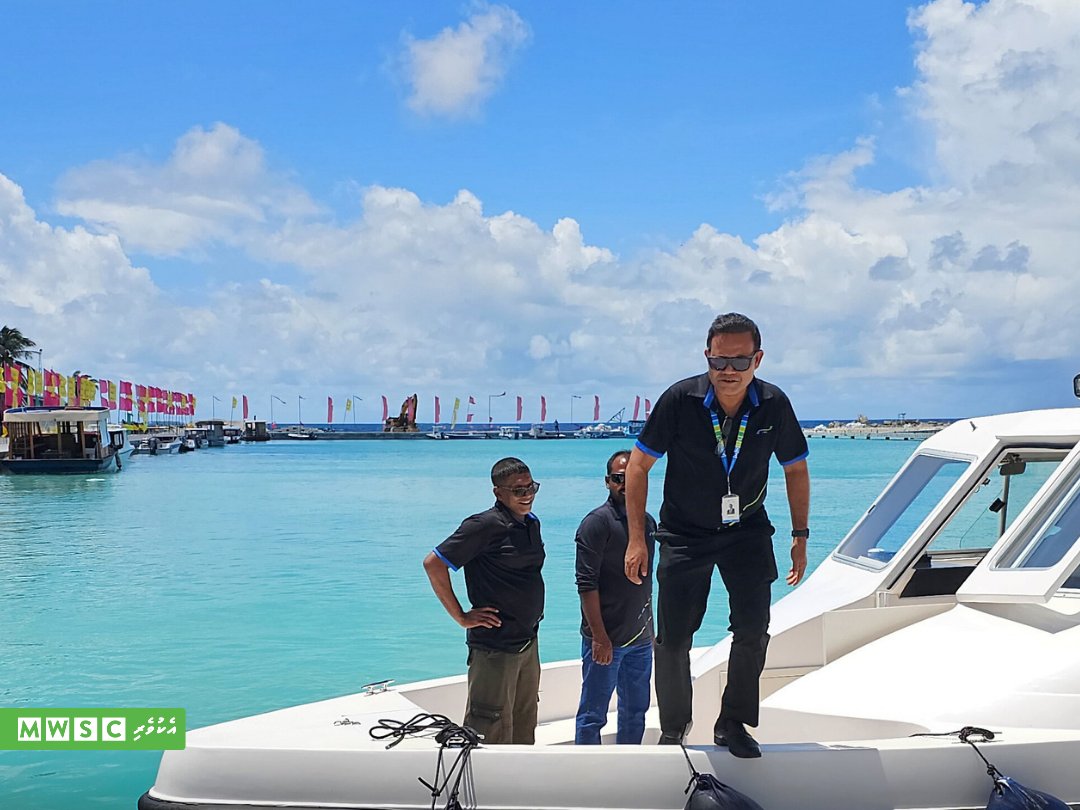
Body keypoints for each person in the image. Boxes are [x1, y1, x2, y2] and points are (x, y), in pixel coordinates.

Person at [624, 312, 810, 758]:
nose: (728, 371)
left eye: (739, 361)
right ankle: (674, 728)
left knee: (753, 630)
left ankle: (733, 723)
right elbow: (637, 466)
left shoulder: (773, 404)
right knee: (673, 638)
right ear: (707, 356)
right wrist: (636, 539)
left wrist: (799, 535)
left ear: (757, 359)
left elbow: (796, 469)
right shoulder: (680, 399)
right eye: (718, 361)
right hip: (684, 533)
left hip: (746, 530)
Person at [423, 457, 545, 745]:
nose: (527, 495)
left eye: (531, 487)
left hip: (528, 642)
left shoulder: (530, 524)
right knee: (488, 728)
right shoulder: (484, 525)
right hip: (495, 648)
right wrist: (461, 616)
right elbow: (433, 564)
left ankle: (518, 787)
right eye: (518, 490)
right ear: (498, 492)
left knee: (524, 723)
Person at [573, 450, 657, 745]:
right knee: (593, 714)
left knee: (636, 712)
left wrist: (652, 633)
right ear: (608, 482)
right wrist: (599, 636)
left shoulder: (647, 523)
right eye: (618, 479)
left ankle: (628, 773)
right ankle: (587, 777)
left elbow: (645, 582)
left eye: (630, 478)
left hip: (640, 640)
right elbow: (586, 584)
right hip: (607, 638)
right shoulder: (596, 523)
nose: (625, 484)